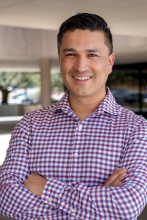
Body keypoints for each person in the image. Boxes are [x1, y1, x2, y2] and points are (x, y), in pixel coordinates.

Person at [0, 13, 147, 220]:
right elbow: (7, 200)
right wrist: (100, 206)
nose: (80, 66)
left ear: (110, 62)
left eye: (92, 55)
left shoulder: (136, 128)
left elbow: (127, 206)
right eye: (71, 54)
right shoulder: (29, 125)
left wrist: (46, 188)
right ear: (60, 61)